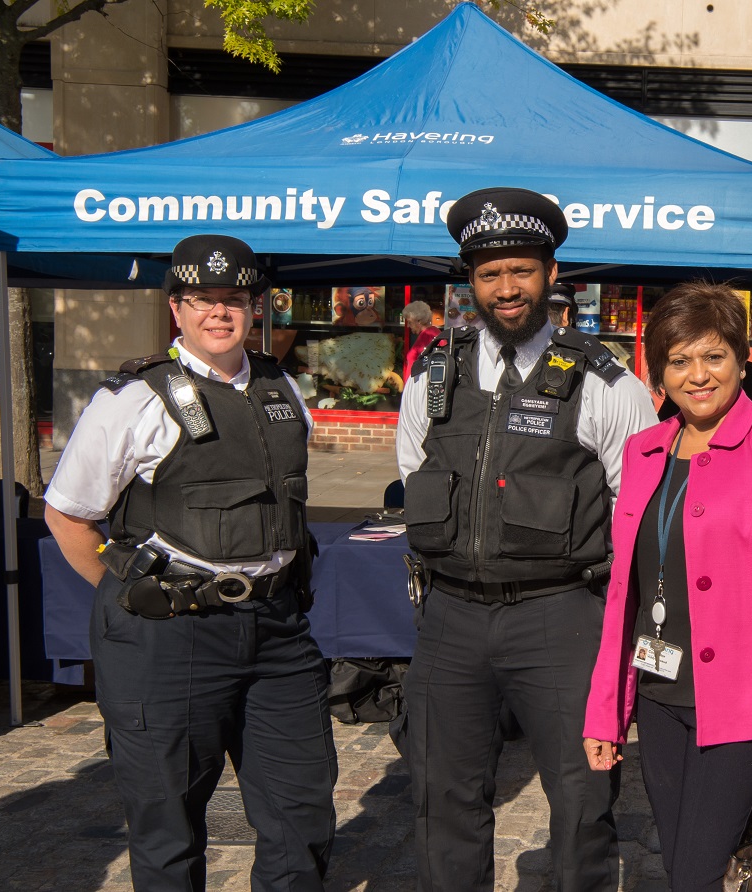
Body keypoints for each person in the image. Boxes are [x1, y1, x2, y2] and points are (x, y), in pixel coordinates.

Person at [43, 234, 337, 891]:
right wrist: (142, 595)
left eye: (235, 299)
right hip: (169, 636)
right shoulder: (132, 399)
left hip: (277, 631)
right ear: (176, 308)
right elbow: (67, 515)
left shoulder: (278, 385)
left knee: (301, 811)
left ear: (255, 307)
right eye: (203, 300)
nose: (220, 314)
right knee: (168, 821)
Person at [394, 187, 657, 892]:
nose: (506, 288)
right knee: (441, 798)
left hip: (562, 618)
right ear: (469, 282)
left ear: (549, 274)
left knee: (582, 801)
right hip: (450, 618)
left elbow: (637, 513)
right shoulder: (430, 377)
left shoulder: (607, 383)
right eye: (489, 273)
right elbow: (414, 474)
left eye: (521, 270)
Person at [583, 283, 752, 892]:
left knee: (692, 876)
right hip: (662, 698)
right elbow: (626, 596)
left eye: (713, 356)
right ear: (658, 373)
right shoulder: (643, 452)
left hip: (743, 709)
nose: (698, 375)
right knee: (681, 866)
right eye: (679, 360)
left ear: (742, 360)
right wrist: (605, 711)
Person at [402, 299, 441, 380]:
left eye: (410, 322)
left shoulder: (428, 335)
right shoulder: (429, 333)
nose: (408, 326)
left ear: (419, 321)